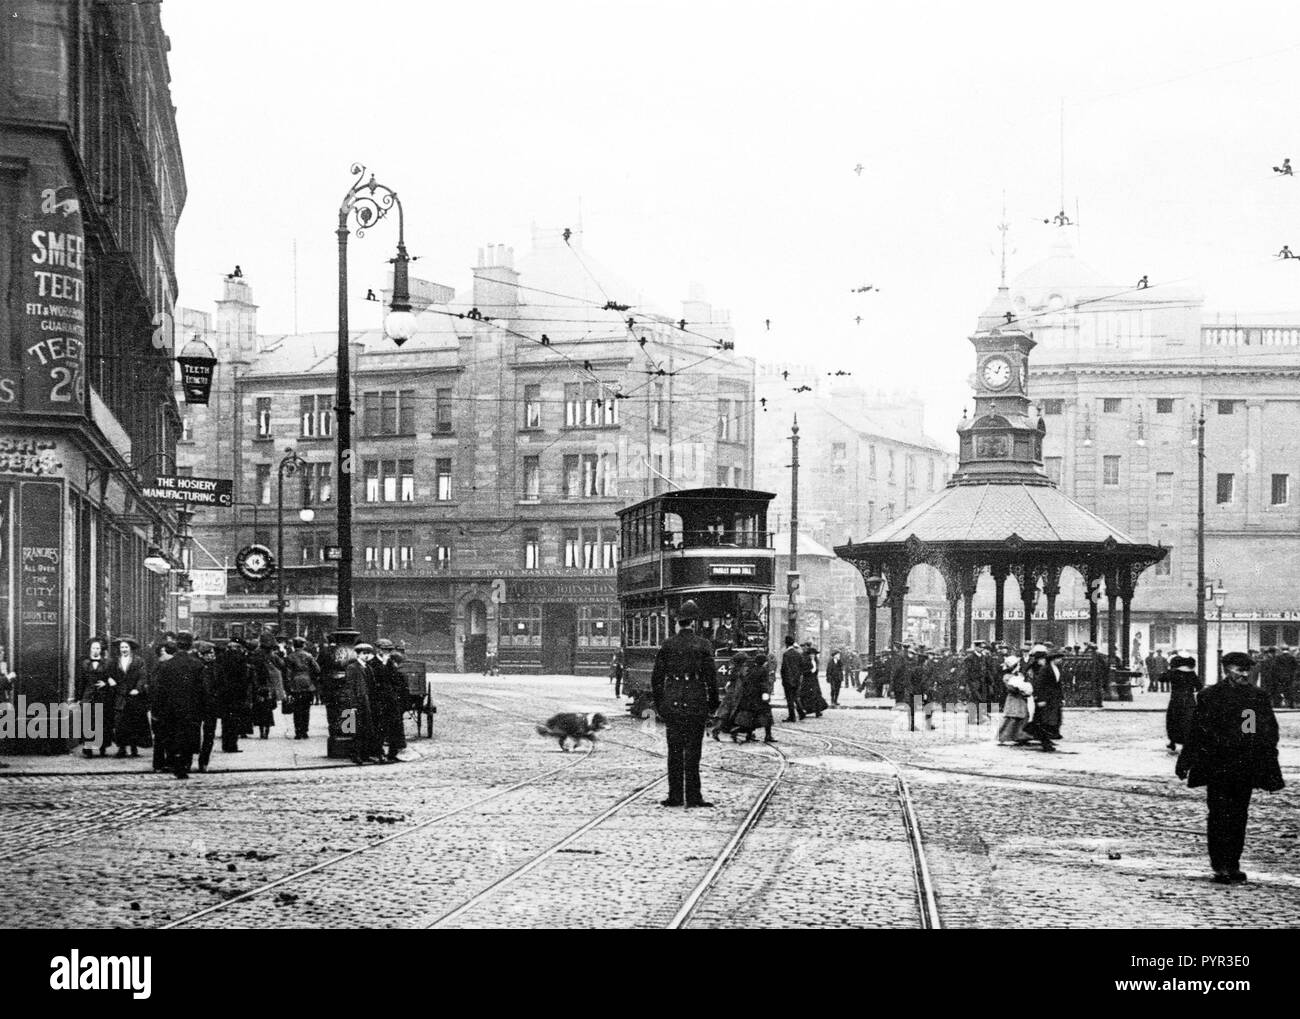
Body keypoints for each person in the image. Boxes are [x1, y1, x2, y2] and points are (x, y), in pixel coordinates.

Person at [1176, 651, 1284, 884]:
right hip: (1217, 766)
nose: (1244, 674)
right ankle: (1219, 865)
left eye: (1247, 670)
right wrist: (1185, 761)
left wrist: (1265, 759)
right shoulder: (1210, 696)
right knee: (1218, 815)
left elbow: (1267, 730)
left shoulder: (1257, 697)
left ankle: (1233, 863)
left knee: (1239, 816)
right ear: (1226, 670)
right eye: (1239, 670)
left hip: (1244, 766)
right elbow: (1196, 731)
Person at [650, 600, 719, 808]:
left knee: (674, 752)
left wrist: (661, 704)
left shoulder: (668, 644)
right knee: (693, 751)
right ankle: (694, 796)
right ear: (694, 623)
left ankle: (675, 796)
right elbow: (711, 678)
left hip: (673, 702)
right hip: (696, 701)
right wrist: (712, 704)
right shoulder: (704, 645)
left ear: (678, 622)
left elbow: (657, 678)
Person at [152, 632, 206, 779]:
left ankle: (175, 763)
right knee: (188, 737)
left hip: (171, 709)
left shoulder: (166, 665)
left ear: (176, 645)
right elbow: (202, 691)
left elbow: (159, 690)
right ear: (190, 646)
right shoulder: (198, 665)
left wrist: (157, 710)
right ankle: (185, 764)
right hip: (191, 709)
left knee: (173, 736)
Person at [110, 636, 151, 759]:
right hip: (120, 695)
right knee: (120, 722)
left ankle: (134, 747)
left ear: (131, 648)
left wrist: (137, 689)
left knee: (134, 722)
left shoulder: (139, 661)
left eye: (126, 647)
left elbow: (142, 676)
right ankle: (121, 748)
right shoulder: (115, 661)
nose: (124, 649)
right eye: (122, 647)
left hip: (133, 696)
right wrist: (110, 680)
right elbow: (110, 674)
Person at [77, 637, 116, 758]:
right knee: (88, 722)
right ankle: (87, 747)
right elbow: (81, 681)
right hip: (88, 696)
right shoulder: (84, 663)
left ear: (101, 650)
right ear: (90, 649)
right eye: (93, 648)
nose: (95, 650)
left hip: (102, 696)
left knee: (102, 722)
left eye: (98, 648)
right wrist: (79, 698)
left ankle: (102, 747)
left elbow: (114, 678)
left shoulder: (108, 663)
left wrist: (106, 683)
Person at [1022, 644, 1062, 752]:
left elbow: (1057, 684)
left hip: (1052, 699)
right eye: (1059, 658)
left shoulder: (1055, 668)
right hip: (1043, 699)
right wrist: (1039, 698)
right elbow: (1037, 684)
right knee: (1043, 721)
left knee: (1049, 721)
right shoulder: (1042, 669)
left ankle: (1047, 740)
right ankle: (1045, 742)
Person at [373, 638, 408, 762]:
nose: (386, 652)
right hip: (379, 700)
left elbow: (396, 680)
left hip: (391, 700)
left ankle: (393, 753)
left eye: (388, 650)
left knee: (394, 727)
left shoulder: (390, 663)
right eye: (384, 650)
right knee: (380, 727)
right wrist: (383, 664)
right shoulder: (374, 663)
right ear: (378, 650)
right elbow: (377, 679)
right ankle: (379, 753)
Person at [731, 651, 777, 744]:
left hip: (751, 698)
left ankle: (745, 734)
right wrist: (766, 696)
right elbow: (764, 685)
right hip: (760, 697)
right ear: (764, 662)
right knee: (767, 716)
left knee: (751, 718)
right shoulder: (763, 670)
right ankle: (768, 736)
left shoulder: (751, 669)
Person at [217, 639, 252, 753]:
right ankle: (232, 745)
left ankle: (225, 744)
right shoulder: (241, 659)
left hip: (224, 693)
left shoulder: (221, 658)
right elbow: (245, 678)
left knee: (225, 720)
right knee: (234, 720)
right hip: (237, 694)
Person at [284, 636, 320, 740]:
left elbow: (288, 673)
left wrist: (288, 686)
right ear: (303, 645)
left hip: (295, 684)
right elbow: (317, 669)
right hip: (307, 684)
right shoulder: (309, 656)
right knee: (306, 708)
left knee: (296, 709)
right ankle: (305, 731)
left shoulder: (290, 657)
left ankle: (298, 732)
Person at [1165, 653, 1201, 754]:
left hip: (1175, 700)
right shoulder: (1191, 674)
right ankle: (1187, 743)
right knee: (1188, 722)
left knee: (1173, 721)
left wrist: (1169, 669)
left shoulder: (1174, 673)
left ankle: (1172, 742)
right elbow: (1199, 686)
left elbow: (1162, 678)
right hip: (1189, 700)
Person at [194, 641, 221, 772]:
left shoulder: (217, 667)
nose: (211, 656)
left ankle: (204, 761)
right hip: (198, 704)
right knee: (195, 733)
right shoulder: (197, 667)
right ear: (201, 655)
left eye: (212, 653)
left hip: (212, 705)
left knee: (209, 735)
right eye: (208, 654)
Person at [996, 654, 1032, 744]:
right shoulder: (1008, 677)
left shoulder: (1017, 675)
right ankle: (1003, 736)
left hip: (1020, 699)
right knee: (1012, 718)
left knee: (1022, 717)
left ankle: (1019, 735)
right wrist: (1022, 690)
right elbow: (1011, 688)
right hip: (1013, 699)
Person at [798, 641, 828, 718]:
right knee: (806, 696)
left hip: (814, 681)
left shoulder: (815, 661)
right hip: (807, 681)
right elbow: (803, 671)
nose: (812, 656)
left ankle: (818, 711)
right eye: (811, 655)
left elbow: (816, 671)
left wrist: (815, 671)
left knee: (817, 696)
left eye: (813, 655)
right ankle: (807, 710)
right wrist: (810, 671)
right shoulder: (806, 662)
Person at [779, 636, 805, 721]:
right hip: (796, 680)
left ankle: (792, 716)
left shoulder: (786, 654)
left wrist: (784, 679)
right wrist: (798, 676)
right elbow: (802, 667)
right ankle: (801, 712)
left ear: (786, 644)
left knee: (789, 699)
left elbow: (784, 668)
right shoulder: (798, 653)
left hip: (788, 680)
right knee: (795, 697)